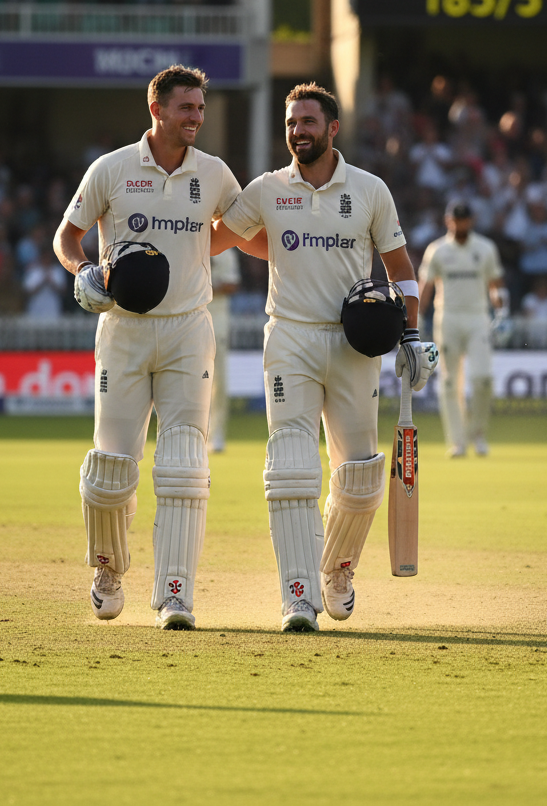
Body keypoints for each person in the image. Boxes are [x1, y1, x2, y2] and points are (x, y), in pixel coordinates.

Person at [214, 83, 437, 633]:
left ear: (332, 128)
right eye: (291, 122)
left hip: (354, 342)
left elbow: (401, 270)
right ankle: (297, 595)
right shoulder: (268, 189)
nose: (298, 131)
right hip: (289, 337)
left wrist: (411, 335)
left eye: (308, 122)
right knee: (291, 467)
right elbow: (220, 238)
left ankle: (337, 571)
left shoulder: (369, 189)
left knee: (359, 478)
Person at [52, 65, 267, 631]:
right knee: (110, 469)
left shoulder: (214, 173)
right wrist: (83, 270)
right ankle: (107, 569)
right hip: (123, 330)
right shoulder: (112, 168)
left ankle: (175, 592)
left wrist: (307, 252)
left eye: (200, 108)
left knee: (184, 467)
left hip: (187, 331)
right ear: (157, 109)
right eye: (186, 108)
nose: (196, 117)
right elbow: (66, 236)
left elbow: (247, 233)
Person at [419, 199, 507, 458]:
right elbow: (426, 286)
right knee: (449, 382)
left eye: (464, 220)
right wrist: (417, 318)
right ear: (448, 221)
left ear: (471, 221)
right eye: (456, 220)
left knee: (482, 379)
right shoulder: (437, 250)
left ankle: (478, 434)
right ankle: (457, 441)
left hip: (478, 317)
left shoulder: (485, 248)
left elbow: (496, 284)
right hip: (448, 317)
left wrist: (502, 311)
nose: (460, 225)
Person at [208, 247, 240, 453]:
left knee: (218, 382)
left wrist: (200, 286)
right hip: (187, 321)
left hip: (216, 322)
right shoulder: (187, 242)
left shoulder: (225, 252)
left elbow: (231, 284)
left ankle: (216, 436)